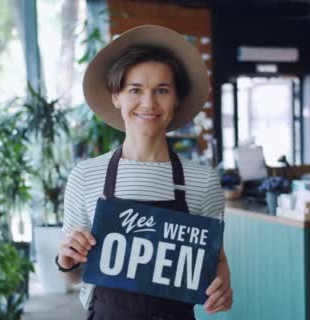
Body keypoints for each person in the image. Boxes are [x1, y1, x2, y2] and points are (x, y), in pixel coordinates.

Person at [56, 25, 232, 319]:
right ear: (117, 97)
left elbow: (217, 262)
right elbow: (74, 276)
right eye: (135, 90)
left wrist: (222, 286)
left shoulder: (202, 181)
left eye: (161, 90)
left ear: (176, 99)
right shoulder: (85, 176)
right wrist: (67, 260)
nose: (148, 103)